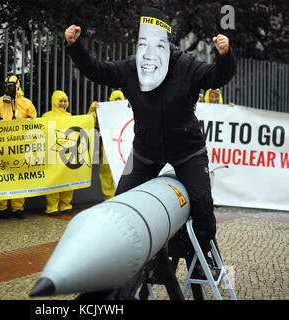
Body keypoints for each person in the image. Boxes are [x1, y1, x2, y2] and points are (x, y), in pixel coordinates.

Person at [64, 7, 236, 255]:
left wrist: (224, 54)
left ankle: (195, 255)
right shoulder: (131, 68)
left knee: (201, 203)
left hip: (188, 151)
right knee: (122, 200)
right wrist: (75, 46)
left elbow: (217, 77)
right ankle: (126, 259)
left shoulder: (186, 65)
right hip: (145, 151)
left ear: (168, 44)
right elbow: (97, 70)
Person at [0, 75, 37, 219]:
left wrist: (28, 123)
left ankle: (17, 208)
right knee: (1, 177)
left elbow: (34, 121)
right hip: (2, 147)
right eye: (6, 85)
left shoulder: (26, 103)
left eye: (11, 86)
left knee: (18, 178)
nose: (8, 88)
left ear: (17, 86)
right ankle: (2, 208)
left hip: (20, 148)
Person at [42, 90, 75, 216]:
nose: (62, 103)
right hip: (52, 153)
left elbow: (80, 126)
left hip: (67, 152)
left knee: (67, 179)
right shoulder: (47, 116)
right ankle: (52, 207)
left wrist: (91, 113)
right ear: (54, 101)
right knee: (53, 180)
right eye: (60, 101)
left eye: (65, 101)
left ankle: (66, 205)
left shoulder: (69, 116)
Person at [88, 90, 125, 200]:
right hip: (108, 147)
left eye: (120, 100)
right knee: (106, 173)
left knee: (124, 173)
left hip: (124, 146)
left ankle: (122, 198)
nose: (117, 102)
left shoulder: (128, 111)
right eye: (115, 100)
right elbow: (92, 124)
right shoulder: (105, 112)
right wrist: (93, 110)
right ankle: (110, 198)